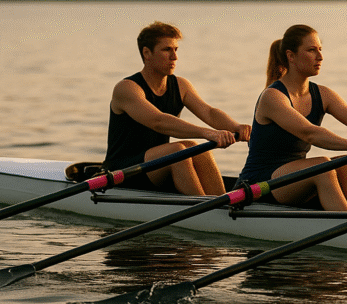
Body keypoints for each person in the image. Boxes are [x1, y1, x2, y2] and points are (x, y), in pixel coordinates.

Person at [239, 24, 347, 212]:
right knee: (323, 167)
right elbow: (309, 132)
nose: (320, 56)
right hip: (258, 184)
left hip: (293, 180)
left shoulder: (323, 94)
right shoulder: (272, 97)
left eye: (320, 49)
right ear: (291, 56)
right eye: (312, 50)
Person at [104, 21, 250, 196]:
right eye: (167, 50)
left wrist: (237, 128)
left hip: (156, 167)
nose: (175, 57)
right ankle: (205, 210)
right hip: (123, 171)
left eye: (176, 50)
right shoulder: (127, 88)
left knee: (195, 149)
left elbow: (209, 112)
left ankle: (222, 204)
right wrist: (208, 133)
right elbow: (158, 121)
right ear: (147, 53)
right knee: (178, 151)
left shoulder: (181, 85)